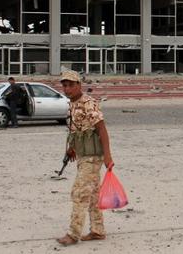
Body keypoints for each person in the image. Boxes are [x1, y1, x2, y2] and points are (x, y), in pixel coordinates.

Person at [57, 70, 114, 246]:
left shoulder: (89, 103)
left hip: (92, 157)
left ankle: (73, 234)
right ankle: (98, 230)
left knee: (79, 193)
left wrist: (108, 157)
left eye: (71, 85)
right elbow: (78, 129)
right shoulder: (73, 104)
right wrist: (71, 149)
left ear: (79, 85)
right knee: (93, 195)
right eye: (65, 86)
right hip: (83, 155)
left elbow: (102, 129)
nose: (67, 89)